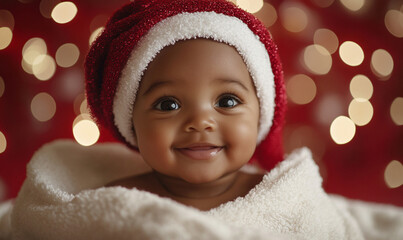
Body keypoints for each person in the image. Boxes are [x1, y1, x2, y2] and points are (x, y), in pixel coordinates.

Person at [1, 0, 402, 239]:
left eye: (227, 100)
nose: (200, 121)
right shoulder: (117, 201)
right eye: (168, 104)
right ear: (131, 125)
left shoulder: (279, 197)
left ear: (261, 114)